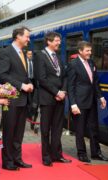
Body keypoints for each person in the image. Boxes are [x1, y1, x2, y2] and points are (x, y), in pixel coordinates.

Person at [0, 26, 33, 171]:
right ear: (18, 36)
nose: (28, 39)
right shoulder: (5, 52)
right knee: (9, 132)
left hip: (23, 99)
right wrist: (21, 85)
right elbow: (3, 75)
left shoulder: (23, 53)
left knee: (19, 132)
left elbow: (22, 74)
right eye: (27, 36)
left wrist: (29, 83)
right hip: (10, 99)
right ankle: (7, 162)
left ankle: (17, 159)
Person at [33, 32, 72, 166]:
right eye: (56, 40)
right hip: (47, 98)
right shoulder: (40, 56)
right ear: (48, 42)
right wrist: (56, 92)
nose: (59, 43)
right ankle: (46, 157)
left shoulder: (58, 57)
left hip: (59, 98)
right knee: (45, 129)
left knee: (57, 128)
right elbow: (41, 78)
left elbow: (65, 76)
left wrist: (63, 91)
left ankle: (57, 155)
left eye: (59, 40)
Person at [67, 41, 108, 163]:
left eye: (90, 50)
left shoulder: (91, 62)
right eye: (87, 50)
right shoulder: (73, 64)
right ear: (80, 51)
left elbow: (95, 82)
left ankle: (96, 153)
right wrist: (73, 104)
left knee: (94, 128)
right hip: (79, 102)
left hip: (92, 101)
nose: (90, 53)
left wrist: (101, 97)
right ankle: (82, 153)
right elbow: (71, 86)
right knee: (80, 129)